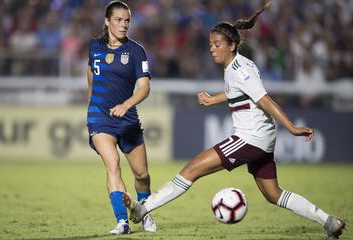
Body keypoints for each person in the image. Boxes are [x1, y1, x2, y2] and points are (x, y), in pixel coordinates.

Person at [123, 2, 345, 239]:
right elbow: (239, 93)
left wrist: (292, 128)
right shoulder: (236, 67)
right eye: (210, 45)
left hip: (251, 137)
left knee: (192, 169)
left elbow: (264, 100)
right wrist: (213, 99)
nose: (212, 49)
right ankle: (328, 221)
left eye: (217, 45)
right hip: (262, 138)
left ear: (232, 45)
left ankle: (143, 209)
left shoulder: (240, 70)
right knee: (273, 194)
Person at [86, 1, 156, 235]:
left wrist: (126, 105)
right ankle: (122, 222)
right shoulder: (94, 46)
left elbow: (144, 88)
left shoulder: (136, 51)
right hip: (100, 118)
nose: (123, 24)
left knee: (142, 175)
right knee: (113, 165)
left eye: (127, 20)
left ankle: (144, 211)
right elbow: (91, 73)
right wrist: (91, 103)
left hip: (128, 119)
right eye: (118, 20)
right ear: (107, 21)